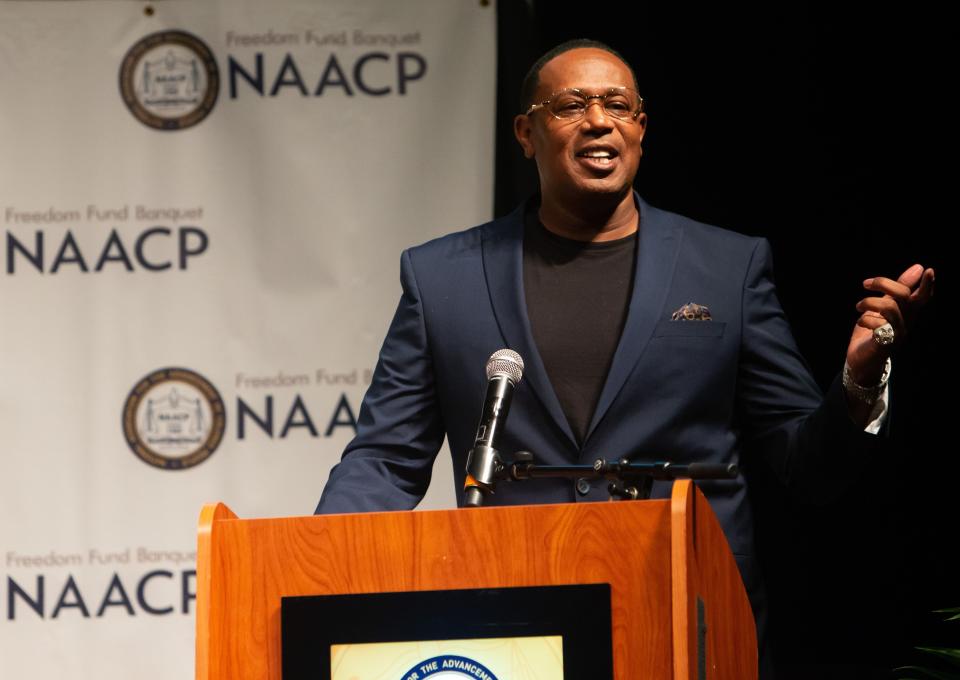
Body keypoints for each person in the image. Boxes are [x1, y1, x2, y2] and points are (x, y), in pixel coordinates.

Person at [315, 39, 934, 676]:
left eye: (618, 104)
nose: (599, 120)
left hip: (689, 619)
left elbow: (808, 466)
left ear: (640, 127)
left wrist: (860, 380)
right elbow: (386, 459)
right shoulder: (442, 277)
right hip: (514, 626)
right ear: (526, 133)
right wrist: (310, 567)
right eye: (570, 105)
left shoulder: (727, 268)